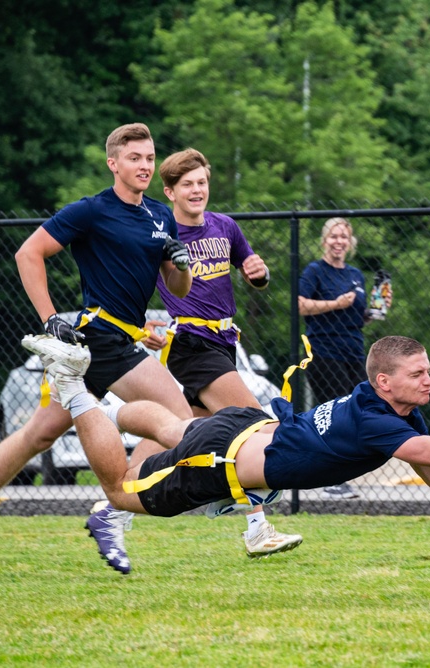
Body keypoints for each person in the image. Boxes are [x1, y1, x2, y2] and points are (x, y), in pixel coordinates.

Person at [26, 334, 430, 572]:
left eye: (427, 370)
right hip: (222, 464)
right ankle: (74, 386)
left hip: (245, 425)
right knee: (120, 490)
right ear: (384, 381)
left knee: (175, 425)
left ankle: (110, 408)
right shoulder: (378, 424)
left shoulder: (389, 412)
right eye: (418, 373)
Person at [0, 123, 195, 577]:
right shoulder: (91, 210)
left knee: (41, 433)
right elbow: (28, 253)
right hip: (94, 337)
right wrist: (49, 318)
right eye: (134, 158)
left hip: (119, 339)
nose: (145, 166)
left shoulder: (161, 216)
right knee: (176, 417)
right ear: (113, 163)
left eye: (150, 158)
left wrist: (181, 263)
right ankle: (114, 510)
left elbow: (176, 286)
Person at [155, 148, 301, 555]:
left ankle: (114, 508)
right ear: (170, 192)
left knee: (181, 438)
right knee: (253, 425)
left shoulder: (225, 226)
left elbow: (253, 270)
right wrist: (145, 328)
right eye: (187, 185)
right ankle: (257, 527)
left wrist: (260, 272)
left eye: (202, 182)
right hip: (190, 343)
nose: (197, 189)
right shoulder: (162, 238)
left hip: (225, 342)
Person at [298, 217, 389, 500]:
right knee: (335, 415)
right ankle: (331, 479)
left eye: (344, 237)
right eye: (334, 236)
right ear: (325, 240)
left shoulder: (355, 274)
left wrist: (377, 309)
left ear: (350, 243)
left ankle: (337, 475)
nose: (339, 241)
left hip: (353, 351)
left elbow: (359, 318)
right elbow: (300, 305)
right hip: (324, 351)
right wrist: (335, 304)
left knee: (360, 409)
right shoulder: (315, 271)